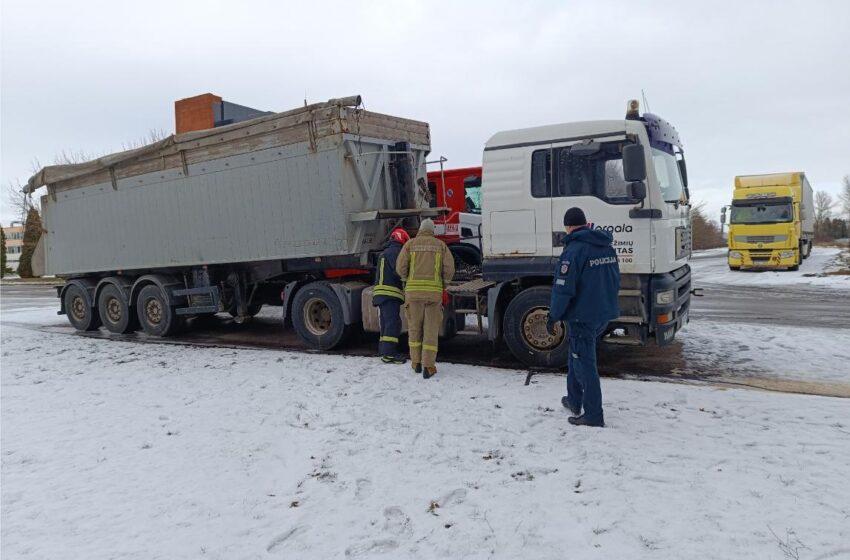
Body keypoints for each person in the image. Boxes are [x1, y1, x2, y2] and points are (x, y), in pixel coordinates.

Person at [547, 207, 620, 427]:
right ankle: (574, 399)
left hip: (582, 316)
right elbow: (615, 280)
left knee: (586, 364)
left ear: (568, 226)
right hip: (601, 313)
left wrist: (554, 316)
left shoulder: (574, 250)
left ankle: (594, 414)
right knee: (575, 354)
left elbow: (563, 289)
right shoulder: (606, 247)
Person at [396, 218, 455, 379]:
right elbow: (449, 268)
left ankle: (416, 363)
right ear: (432, 230)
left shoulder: (410, 245)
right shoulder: (440, 246)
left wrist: (405, 279)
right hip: (433, 295)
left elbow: (400, 267)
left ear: (420, 229)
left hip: (413, 294)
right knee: (430, 330)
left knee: (414, 328)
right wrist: (444, 283)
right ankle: (428, 367)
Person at [373, 228, 410, 364]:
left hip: (382, 294)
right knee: (392, 324)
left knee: (385, 323)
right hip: (390, 293)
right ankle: (390, 355)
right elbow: (399, 271)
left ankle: (384, 351)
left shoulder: (386, 251)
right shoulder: (395, 251)